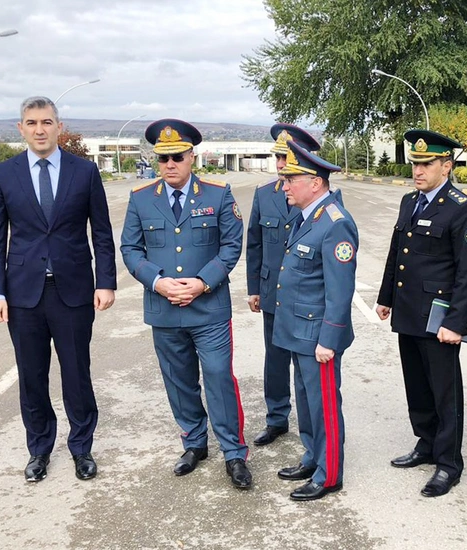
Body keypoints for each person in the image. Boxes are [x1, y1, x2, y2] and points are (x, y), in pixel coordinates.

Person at [0, 96, 116, 482]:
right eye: (31, 123)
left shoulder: (85, 172)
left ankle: (81, 449)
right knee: (31, 376)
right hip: (23, 295)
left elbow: (102, 233)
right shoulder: (4, 174)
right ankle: (39, 450)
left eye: (46, 122)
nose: (39, 129)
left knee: (77, 373)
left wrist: (105, 281)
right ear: (20, 129)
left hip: (73, 291)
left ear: (58, 126)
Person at [120, 119, 251, 489]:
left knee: (218, 376)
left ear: (192, 156)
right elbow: (130, 249)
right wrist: (158, 282)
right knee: (178, 381)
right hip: (165, 308)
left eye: (177, 156)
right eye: (163, 159)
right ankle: (194, 443)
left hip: (208, 308)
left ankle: (233, 452)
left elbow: (230, 246)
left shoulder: (218, 194)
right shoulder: (141, 197)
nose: (170, 164)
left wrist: (202, 282)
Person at [376, 130, 467, 498]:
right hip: (408, 310)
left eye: (425, 164)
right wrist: (385, 295)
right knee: (417, 385)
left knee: (444, 390)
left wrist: (457, 323)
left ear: (446, 166)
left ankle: (449, 463)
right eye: (415, 164)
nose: (418, 171)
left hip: (439, 317)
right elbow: (398, 252)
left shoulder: (462, 208)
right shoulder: (410, 201)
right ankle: (425, 443)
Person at [271, 139, 358, 501]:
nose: (285, 184)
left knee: (323, 405)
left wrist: (329, 340)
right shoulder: (309, 217)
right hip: (298, 331)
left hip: (317, 336)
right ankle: (312, 457)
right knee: (306, 401)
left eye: (292, 178)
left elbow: (340, 292)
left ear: (316, 183)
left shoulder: (335, 224)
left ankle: (329, 474)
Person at [246, 123, 320, 446]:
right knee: (274, 360)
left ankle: (311, 425)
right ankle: (277, 418)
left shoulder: (312, 200)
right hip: (271, 293)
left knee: (303, 365)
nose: (280, 165)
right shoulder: (264, 195)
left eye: (286, 157)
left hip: (302, 298)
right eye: (277, 157)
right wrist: (253, 289)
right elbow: (255, 244)